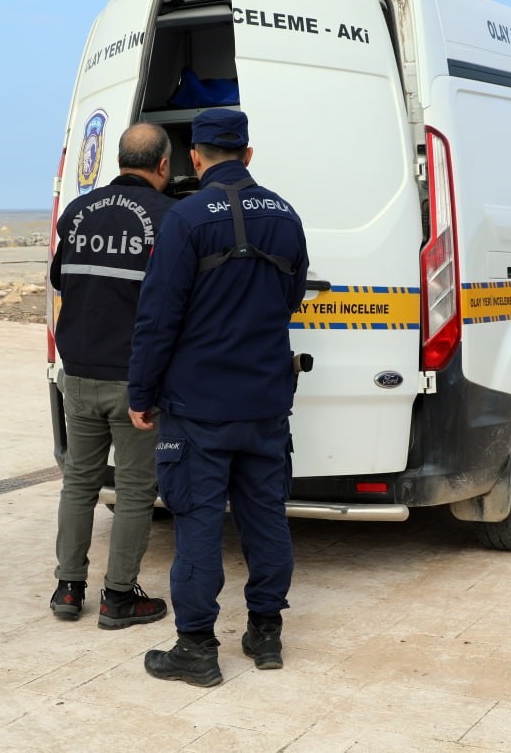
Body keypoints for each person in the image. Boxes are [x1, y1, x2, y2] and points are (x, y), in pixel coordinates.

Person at [127, 109, 308, 686]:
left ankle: (197, 649)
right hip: (265, 403)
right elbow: (291, 296)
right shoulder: (285, 215)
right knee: (266, 518)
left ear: (195, 157)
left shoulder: (184, 218)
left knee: (199, 523)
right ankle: (266, 634)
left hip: (198, 406)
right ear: (248, 154)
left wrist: (141, 391)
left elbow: (158, 317)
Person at [48, 122, 178, 628]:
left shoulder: (79, 212)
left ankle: (67, 589)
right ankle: (119, 597)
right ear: (163, 165)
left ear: (119, 159)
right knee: (135, 490)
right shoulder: (169, 218)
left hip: (78, 373)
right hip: (134, 380)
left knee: (78, 484)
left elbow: (60, 278)